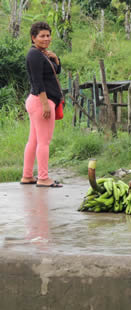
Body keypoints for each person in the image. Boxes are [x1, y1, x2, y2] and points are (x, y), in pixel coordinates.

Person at [20, 22, 63, 187]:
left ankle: (27, 175)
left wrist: (56, 59)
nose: (46, 38)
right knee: (44, 141)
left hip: (37, 101)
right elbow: (37, 82)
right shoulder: (35, 55)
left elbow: (54, 72)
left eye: (48, 35)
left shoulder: (41, 54)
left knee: (34, 140)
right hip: (41, 101)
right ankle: (43, 178)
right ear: (33, 37)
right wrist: (45, 104)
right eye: (42, 36)